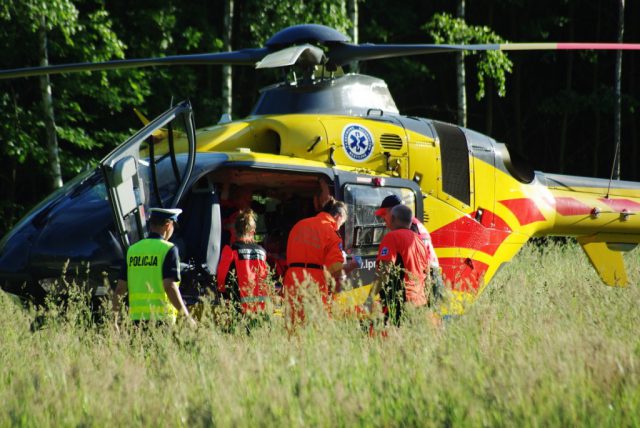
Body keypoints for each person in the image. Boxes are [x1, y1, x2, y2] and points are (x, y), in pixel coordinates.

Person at [113, 208, 195, 328]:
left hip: (136, 322)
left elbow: (120, 289)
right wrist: (186, 316)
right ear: (168, 225)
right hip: (161, 321)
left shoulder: (133, 250)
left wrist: (114, 321)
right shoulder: (169, 249)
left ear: (151, 225)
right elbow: (169, 286)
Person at [283, 197, 358, 327]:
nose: (339, 227)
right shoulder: (331, 233)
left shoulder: (300, 224)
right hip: (313, 282)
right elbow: (336, 271)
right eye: (342, 223)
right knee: (315, 327)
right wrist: (352, 265)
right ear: (339, 217)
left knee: (293, 325)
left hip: (291, 279)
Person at [374, 194, 445, 305]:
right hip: (428, 276)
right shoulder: (413, 223)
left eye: (384, 214)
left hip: (425, 278)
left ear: (393, 213)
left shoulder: (407, 229)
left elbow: (390, 268)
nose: (383, 219)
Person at [367, 204, 430, 326]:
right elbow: (427, 273)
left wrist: (370, 298)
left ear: (393, 218)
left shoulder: (392, 237)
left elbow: (384, 271)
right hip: (419, 302)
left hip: (400, 302)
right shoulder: (419, 241)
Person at [216, 209, 271, 316]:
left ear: (235, 230)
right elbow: (265, 279)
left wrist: (223, 294)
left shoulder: (231, 250)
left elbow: (221, 280)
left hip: (238, 308)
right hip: (260, 309)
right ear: (253, 231)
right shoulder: (262, 252)